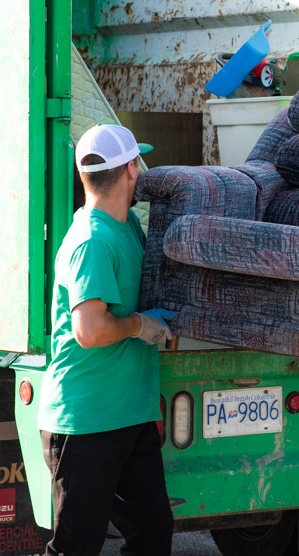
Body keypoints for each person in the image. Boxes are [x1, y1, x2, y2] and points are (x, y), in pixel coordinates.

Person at [38, 123, 177, 556]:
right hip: (85, 422)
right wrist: (139, 325)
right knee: (76, 548)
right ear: (132, 169)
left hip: (129, 417)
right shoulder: (92, 241)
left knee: (153, 534)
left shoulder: (127, 226)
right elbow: (90, 329)